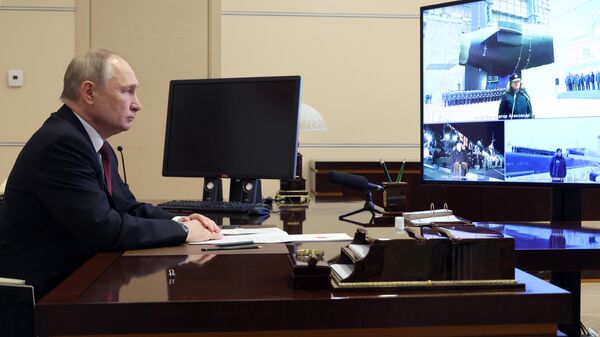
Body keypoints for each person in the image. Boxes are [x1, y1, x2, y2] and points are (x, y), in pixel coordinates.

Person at [0, 49, 223, 299]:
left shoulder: (94, 145)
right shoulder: (61, 143)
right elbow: (104, 229)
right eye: (127, 91)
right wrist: (185, 233)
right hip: (44, 297)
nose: (138, 104)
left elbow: (127, 207)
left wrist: (180, 222)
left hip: (76, 281)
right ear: (89, 92)